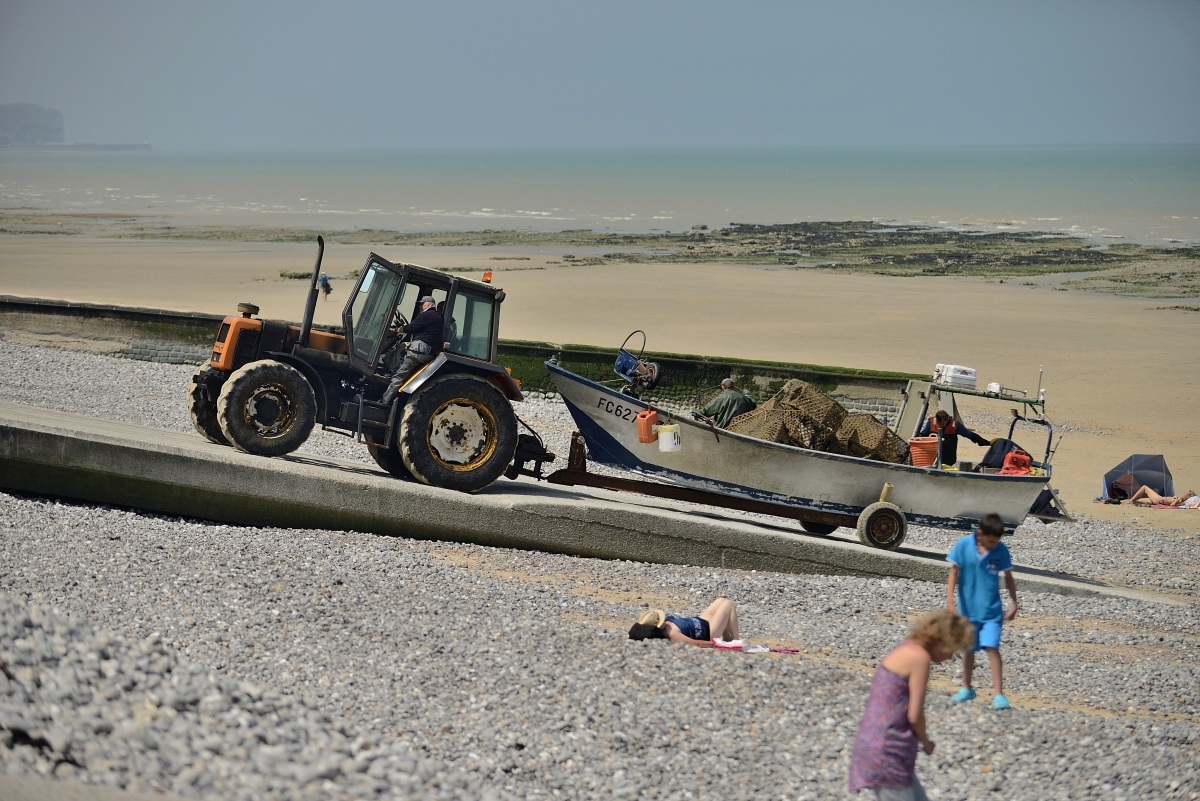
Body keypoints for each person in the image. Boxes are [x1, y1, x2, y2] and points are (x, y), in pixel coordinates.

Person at [848, 609, 974, 800]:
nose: (950, 657)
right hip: (889, 751)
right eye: (951, 649)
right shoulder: (919, 658)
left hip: (874, 742)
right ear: (940, 641)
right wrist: (926, 742)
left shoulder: (905, 647)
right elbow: (914, 715)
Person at [945, 513, 1018, 710]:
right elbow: (953, 572)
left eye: (997, 541)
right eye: (991, 540)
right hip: (967, 613)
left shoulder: (1001, 550)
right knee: (968, 650)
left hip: (992, 613)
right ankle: (967, 688)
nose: (994, 544)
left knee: (992, 648)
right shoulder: (962, 546)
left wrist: (1014, 603)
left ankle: (999, 695)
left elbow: (1009, 577)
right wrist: (950, 601)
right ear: (980, 533)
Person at [380, 296, 444, 406]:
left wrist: (399, 329)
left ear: (429, 304)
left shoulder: (427, 315)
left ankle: (384, 401)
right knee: (402, 348)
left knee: (398, 377)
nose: (420, 306)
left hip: (418, 352)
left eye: (421, 303)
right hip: (427, 352)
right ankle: (390, 370)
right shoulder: (437, 316)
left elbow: (411, 328)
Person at [627, 597, 739, 647]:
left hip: (702, 622)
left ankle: (729, 639)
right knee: (728, 605)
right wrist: (716, 644)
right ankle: (736, 640)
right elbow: (696, 643)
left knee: (721, 600)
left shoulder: (667, 624)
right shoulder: (671, 633)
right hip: (709, 634)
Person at [918, 409, 990, 465]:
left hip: (948, 459)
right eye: (938, 424)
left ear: (947, 420)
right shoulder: (931, 422)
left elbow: (970, 435)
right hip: (931, 457)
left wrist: (986, 442)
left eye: (942, 424)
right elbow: (922, 436)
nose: (940, 426)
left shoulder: (955, 425)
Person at [1121, 486, 1197, 507]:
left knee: (1144, 487)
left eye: (1186, 493)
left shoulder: (1181, 500)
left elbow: (1172, 504)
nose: (1184, 493)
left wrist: (1179, 499)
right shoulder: (1180, 499)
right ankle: (1118, 502)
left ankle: (1130, 500)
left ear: (1188, 496)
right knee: (1137, 500)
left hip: (1159, 499)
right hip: (1159, 499)